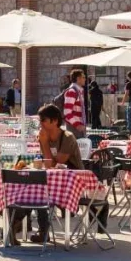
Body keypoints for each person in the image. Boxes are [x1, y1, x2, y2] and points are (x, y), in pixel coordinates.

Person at [24, 104, 85, 243]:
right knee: (33, 190)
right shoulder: (44, 137)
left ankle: (39, 229)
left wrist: (44, 143)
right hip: (53, 182)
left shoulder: (67, 137)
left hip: (72, 183)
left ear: (55, 121)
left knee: (39, 192)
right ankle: (38, 229)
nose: (41, 124)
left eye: (43, 120)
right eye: (40, 121)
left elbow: (54, 164)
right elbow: (47, 164)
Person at [54, 69, 86, 137]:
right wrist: (77, 125)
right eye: (83, 77)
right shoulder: (72, 91)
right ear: (78, 78)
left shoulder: (78, 91)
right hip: (74, 128)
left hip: (78, 127)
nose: (85, 79)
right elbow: (67, 113)